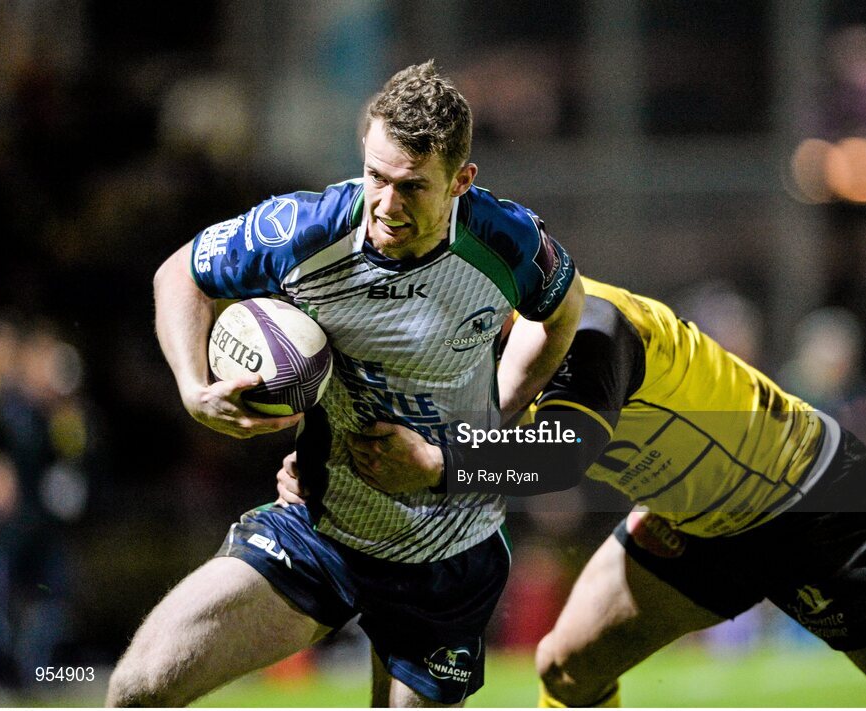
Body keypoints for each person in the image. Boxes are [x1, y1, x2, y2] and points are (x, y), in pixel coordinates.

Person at [279, 276, 866, 707]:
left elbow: (560, 457)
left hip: (803, 498)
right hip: (692, 519)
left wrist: (439, 468)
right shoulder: (474, 359)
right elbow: (406, 431)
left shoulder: (592, 326)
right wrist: (319, 466)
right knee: (568, 664)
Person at [106, 61, 584, 708]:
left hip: (450, 552)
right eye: (376, 177)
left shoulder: (507, 242)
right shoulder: (304, 233)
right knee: (139, 685)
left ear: (461, 182)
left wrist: (486, 428)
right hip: (320, 528)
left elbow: (562, 314)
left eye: (412, 187)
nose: (386, 206)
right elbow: (178, 275)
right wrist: (193, 387)